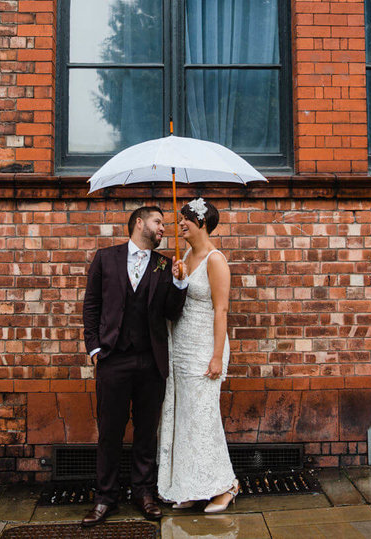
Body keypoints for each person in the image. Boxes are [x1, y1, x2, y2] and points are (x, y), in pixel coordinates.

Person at [81, 205, 188, 527]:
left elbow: (172, 313)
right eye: (158, 222)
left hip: (150, 359)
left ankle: (143, 493)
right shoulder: (106, 258)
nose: (163, 229)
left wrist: (180, 285)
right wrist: (95, 347)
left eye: (165, 224)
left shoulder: (165, 264)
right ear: (139, 223)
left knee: (145, 432)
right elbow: (92, 305)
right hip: (113, 358)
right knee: (109, 432)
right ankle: (105, 497)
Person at [158, 197, 239, 513]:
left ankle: (226, 485)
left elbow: (221, 310)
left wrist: (217, 356)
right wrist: (178, 278)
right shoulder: (187, 255)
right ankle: (194, 485)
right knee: (186, 418)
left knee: (204, 417)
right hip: (181, 346)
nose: (180, 225)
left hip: (206, 348)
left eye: (185, 220)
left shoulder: (215, 260)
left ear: (201, 223)